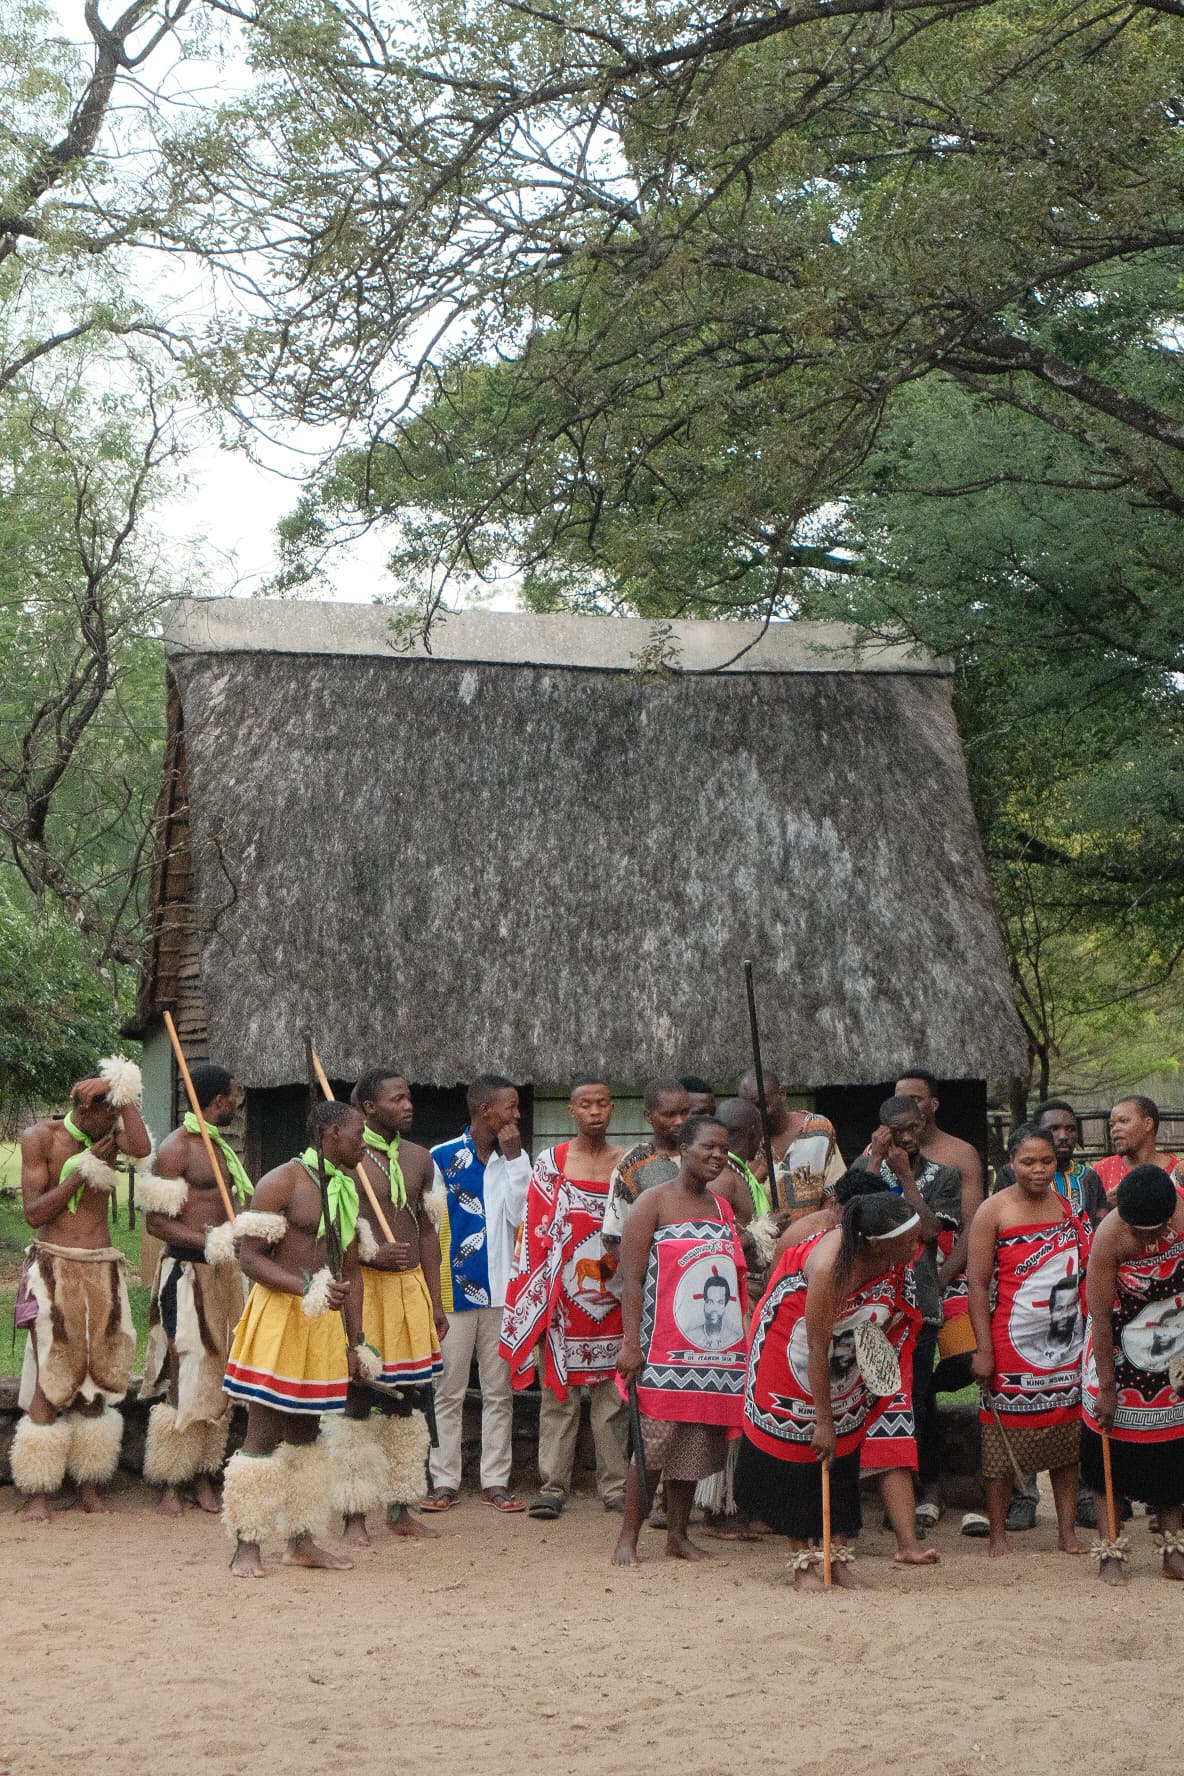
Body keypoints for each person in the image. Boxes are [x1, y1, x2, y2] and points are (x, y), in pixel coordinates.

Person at [735, 1193, 922, 1589]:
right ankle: (803, 1562)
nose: (915, 1248)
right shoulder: (830, 1266)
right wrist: (823, 1421)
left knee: (845, 1454)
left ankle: (836, 1561)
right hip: (794, 1351)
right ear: (875, 1242)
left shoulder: (893, 1258)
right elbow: (816, 1348)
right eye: (907, 1241)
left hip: (846, 1354)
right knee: (799, 1453)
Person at [221, 1100, 375, 1578]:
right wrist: (304, 1287)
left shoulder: (348, 1190)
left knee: (306, 1437)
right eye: (357, 1134)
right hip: (280, 1319)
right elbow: (249, 1258)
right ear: (331, 1134)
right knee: (263, 1432)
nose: (363, 1144)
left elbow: (350, 1271)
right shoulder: (282, 1182)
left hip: (323, 1324)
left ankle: (301, 1542)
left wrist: (356, 1340)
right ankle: (246, 1544)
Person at [11, 1058, 152, 1522]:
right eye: (106, 1112)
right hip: (53, 1265)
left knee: (99, 1374)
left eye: (117, 1112)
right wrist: (83, 1169)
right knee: (52, 1373)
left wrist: (126, 1095)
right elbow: (34, 1213)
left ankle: (90, 1485)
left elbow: (142, 1146)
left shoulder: (112, 1135)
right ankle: (37, 1492)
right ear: (82, 1107)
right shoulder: (41, 1139)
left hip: (101, 1268)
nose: (112, 1122)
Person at [611, 1116, 749, 1567]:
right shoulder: (653, 1202)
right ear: (684, 1149)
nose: (717, 1156)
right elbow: (631, 1280)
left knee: (693, 1447)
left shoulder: (722, 1209)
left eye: (724, 1149)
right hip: (659, 1350)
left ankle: (678, 1536)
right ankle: (627, 1538)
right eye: (708, 1147)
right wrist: (631, 1344)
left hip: (710, 1356)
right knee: (651, 1447)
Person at [324, 1069, 446, 1546]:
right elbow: (333, 1233)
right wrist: (372, 1253)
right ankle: (355, 1513)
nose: (408, 1105)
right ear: (370, 1109)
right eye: (398, 1099)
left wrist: (436, 1301)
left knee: (410, 1399)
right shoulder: (347, 1160)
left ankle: (400, 1506)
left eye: (409, 1097)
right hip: (364, 1290)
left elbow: (429, 1234)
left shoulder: (421, 1160)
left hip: (411, 1291)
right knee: (359, 1396)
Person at [502, 1077, 629, 1518]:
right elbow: (532, 1234)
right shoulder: (551, 1164)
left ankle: (614, 1488)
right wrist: (536, 1298)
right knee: (559, 1398)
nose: (595, 1112)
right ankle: (553, 1485)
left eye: (603, 1104)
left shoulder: (628, 1164)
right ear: (571, 1112)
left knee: (613, 1400)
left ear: (611, 1109)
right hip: (562, 1302)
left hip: (616, 1301)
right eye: (585, 1105)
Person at [967, 1122, 1088, 1559]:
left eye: (1047, 1161)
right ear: (1011, 1164)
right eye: (1028, 1162)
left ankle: (1067, 1532)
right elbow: (977, 1284)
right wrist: (984, 1349)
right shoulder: (993, 1211)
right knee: (1001, 1446)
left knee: (1066, 1442)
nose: (1039, 1170)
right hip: (1010, 1340)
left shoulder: (1067, 1206)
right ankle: (998, 1535)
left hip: (1066, 1341)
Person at [139, 1064, 251, 1517]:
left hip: (223, 1275)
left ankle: (204, 1473)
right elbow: (156, 1223)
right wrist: (208, 1240)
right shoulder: (175, 1149)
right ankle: (170, 1479)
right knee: (185, 1364)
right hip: (186, 1274)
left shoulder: (221, 1148)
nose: (237, 1105)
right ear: (217, 1099)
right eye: (232, 1097)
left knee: (220, 1369)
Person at [850, 1095, 962, 1539]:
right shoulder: (868, 1167)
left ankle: (925, 1488)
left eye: (915, 1128)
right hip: (871, 1305)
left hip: (920, 1306)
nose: (909, 1138)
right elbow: (844, 1210)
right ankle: (877, 1491)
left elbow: (932, 1230)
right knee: (865, 1399)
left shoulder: (944, 1175)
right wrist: (876, 1158)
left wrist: (904, 1180)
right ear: (883, 1130)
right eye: (898, 1132)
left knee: (914, 1401)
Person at [424, 1074, 531, 1512]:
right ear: (486, 1111)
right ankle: (444, 1480)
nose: (516, 1115)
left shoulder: (515, 1158)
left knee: (498, 1390)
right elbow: (429, 1230)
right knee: (447, 1390)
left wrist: (515, 1159)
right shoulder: (441, 1157)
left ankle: (495, 1481)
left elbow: (519, 1217)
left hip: (502, 1294)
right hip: (453, 1293)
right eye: (510, 1106)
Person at [1082, 1164, 1184, 1585]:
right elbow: (1100, 1319)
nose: (1152, 1241)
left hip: (1174, 1346)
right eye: (1141, 1233)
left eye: (1158, 1230)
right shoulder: (1109, 1238)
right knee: (1110, 1453)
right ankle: (1111, 1551)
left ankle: (1173, 1549)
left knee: (1174, 1454)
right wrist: (1107, 1388)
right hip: (1117, 1353)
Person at [601, 1078, 691, 1262]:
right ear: (648, 1116)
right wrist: (642, 1277)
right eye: (669, 1114)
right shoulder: (632, 1166)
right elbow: (613, 1237)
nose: (679, 1121)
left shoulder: (705, 1154)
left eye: (685, 1113)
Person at [736, 1069, 844, 1221]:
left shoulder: (818, 1129)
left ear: (782, 1094)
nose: (757, 1114)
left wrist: (811, 1233)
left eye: (762, 1105)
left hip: (814, 1239)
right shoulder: (742, 1143)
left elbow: (835, 1193)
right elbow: (736, 1202)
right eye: (749, 1108)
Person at [1094, 1097, 1179, 1203]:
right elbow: (1084, 1216)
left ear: (1147, 1124)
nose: (1115, 1129)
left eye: (1123, 1121)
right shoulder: (1101, 1170)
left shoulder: (1179, 1171)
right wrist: (1104, 1206)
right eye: (1112, 1125)